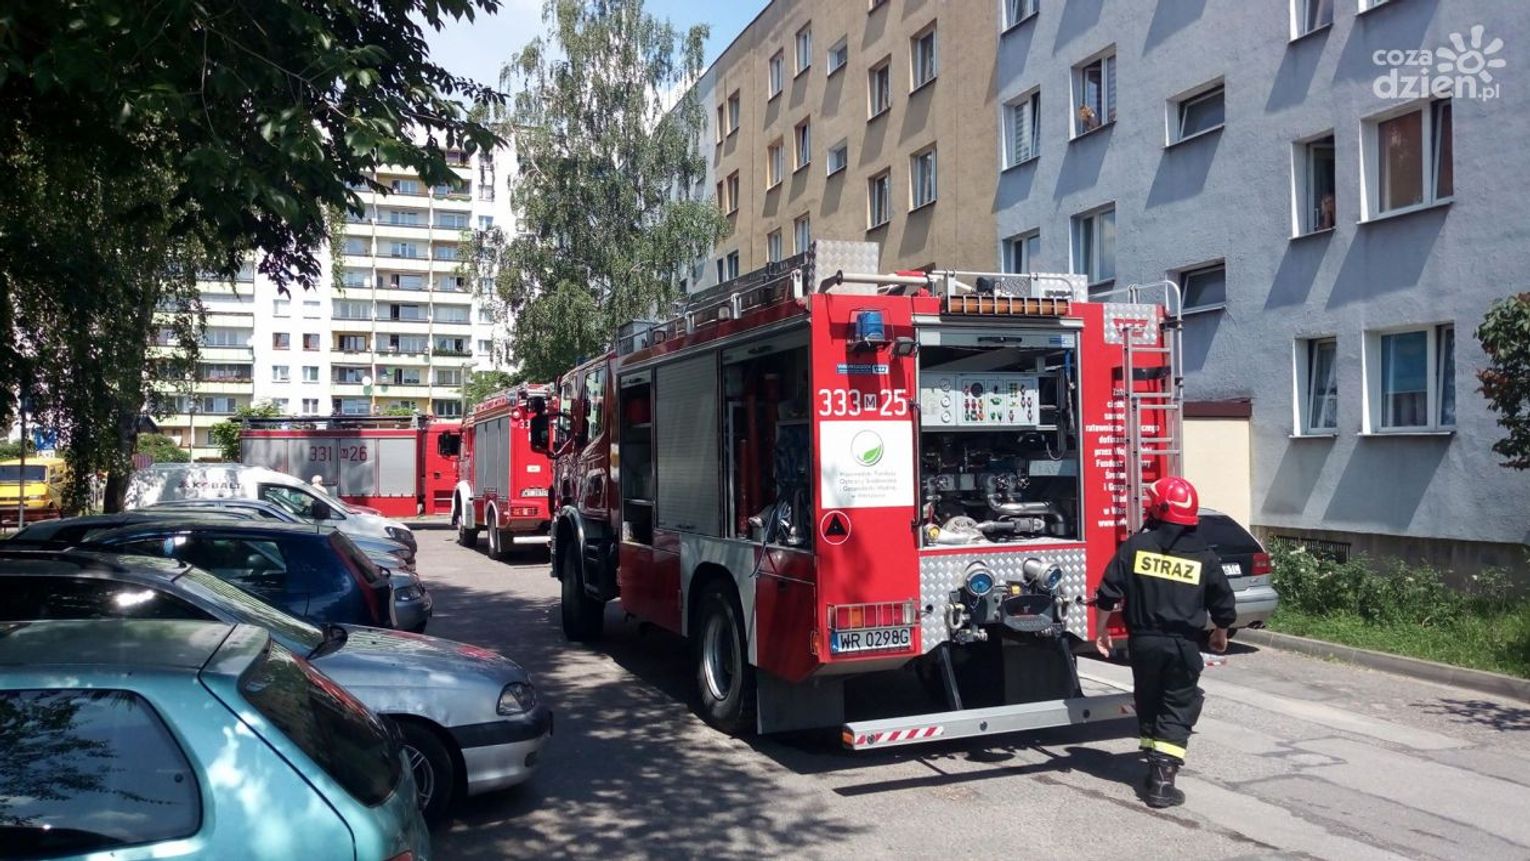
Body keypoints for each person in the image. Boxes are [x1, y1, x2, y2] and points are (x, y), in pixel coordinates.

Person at [1093, 476, 1236, 809]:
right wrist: (1220, 633)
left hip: (1143, 643)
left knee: (1149, 699)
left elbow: (1108, 592)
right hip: (1182, 644)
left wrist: (1101, 630)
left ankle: (1152, 763)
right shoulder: (1204, 556)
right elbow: (1223, 604)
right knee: (1178, 704)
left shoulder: (1136, 547)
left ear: (1157, 508)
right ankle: (1162, 780)